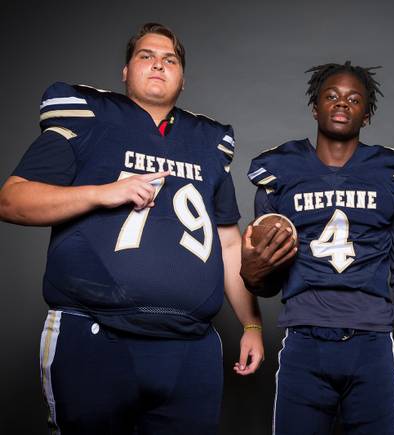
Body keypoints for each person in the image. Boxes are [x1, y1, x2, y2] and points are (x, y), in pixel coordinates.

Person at [0, 22, 264, 434]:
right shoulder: (87, 117)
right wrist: (101, 193)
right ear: (126, 71)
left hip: (190, 345)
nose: (158, 65)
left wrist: (251, 324)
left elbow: (229, 244)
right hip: (96, 334)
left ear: (182, 76)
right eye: (146, 56)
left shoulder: (208, 143)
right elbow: (12, 200)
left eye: (169, 60)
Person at [240, 61, 394, 434]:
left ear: (367, 114)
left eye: (354, 99)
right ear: (315, 106)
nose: (342, 104)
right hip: (304, 341)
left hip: (372, 343)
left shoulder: (393, 175)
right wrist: (252, 275)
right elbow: (267, 280)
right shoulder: (280, 172)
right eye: (332, 96)